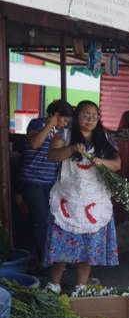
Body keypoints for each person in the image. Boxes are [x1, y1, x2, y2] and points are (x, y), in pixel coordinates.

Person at [45, 101, 120, 293]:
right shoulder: (65, 135)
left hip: (94, 200)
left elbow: (117, 164)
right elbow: (52, 156)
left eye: (94, 116)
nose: (90, 119)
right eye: (86, 115)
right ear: (77, 116)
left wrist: (101, 162)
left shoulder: (105, 139)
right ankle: (54, 283)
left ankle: (81, 286)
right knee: (62, 242)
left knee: (88, 245)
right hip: (68, 197)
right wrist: (70, 150)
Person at [20, 100, 73, 264]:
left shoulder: (62, 132)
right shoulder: (37, 123)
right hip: (33, 180)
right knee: (42, 220)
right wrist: (50, 125)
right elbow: (35, 143)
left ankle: (54, 258)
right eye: (63, 120)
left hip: (51, 183)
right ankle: (47, 261)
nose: (65, 124)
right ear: (55, 115)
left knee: (54, 220)